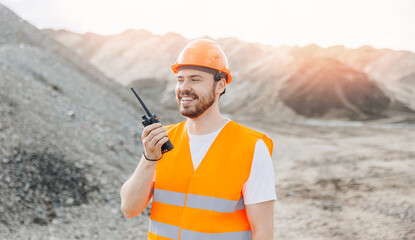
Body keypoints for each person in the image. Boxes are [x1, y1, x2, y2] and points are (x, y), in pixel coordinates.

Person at [120, 39, 276, 240]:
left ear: (219, 86)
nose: (184, 88)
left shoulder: (252, 147)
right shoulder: (163, 140)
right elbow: (129, 209)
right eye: (180, 79)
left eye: (195, 79)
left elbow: (263, 232)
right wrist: (149, 159)